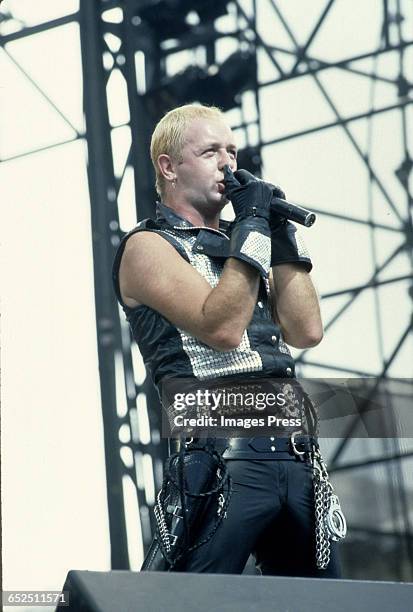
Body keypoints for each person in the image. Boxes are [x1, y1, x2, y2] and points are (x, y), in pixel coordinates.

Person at [112, 103, 342, 577]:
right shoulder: (148, 246)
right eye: (210, 151)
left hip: (297, 456)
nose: (228, 163)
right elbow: (222, 327)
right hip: (222, 460)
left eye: (232, 151)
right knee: (192, 603)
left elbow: (306, 330)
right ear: (169, 167)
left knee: (325, 603)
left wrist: (277, 233)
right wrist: (253, 228)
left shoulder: (248, 244)